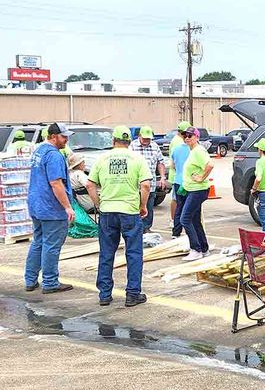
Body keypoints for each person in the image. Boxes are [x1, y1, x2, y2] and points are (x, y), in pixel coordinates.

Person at [86, 126, 152, 307]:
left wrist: (99, 204)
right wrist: (143, 205)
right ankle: (132, 294)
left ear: (113, 141)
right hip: (130, 211)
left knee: (107, 253)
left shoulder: (102, 159)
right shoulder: (138, 158)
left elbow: (90, 184)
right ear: (130, 142)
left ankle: (105, 295)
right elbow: (145, 185)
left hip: (108, 211)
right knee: (133, 253)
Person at [24, 123, 75, 294]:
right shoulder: (54, 155)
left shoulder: (39, 151)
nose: (66, 140)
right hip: (52, 207)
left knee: (38, 242)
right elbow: (56, 183)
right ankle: (50, 282)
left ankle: (30, 280)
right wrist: (67, 207)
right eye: (63, 137)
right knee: (51, 245)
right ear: (53, 136)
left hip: (37, 205)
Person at [180, 127, 214, 261]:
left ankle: (196, 249)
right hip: (193, 189)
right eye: (185, 136)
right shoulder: (193, 151)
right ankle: (204, 248)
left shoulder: (199, 151)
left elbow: (210, 165)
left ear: (197, 137)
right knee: (195, 220)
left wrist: (201, 177)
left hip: (197, 190)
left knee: (185, 218)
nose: (187, 138)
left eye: (190, 135)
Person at [129, 125, 166, 233]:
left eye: (149, 139)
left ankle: (146, 229)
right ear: (139, 136)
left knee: (148, 208)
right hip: (135, 185)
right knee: (135, 209)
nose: (146, 141)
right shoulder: (132, 146)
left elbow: (160, 162)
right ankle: (135, 230)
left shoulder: (155, 146)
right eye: (145, 138)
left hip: (151, 184)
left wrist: (163, 177)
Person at [168, 121, 191, 228]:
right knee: (179, 202)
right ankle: (175, 221)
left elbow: (172, 163)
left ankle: (176, 226)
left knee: (178, 202)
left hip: (177, 177)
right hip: (183, 178)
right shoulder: (180, 144)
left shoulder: (176, 142)